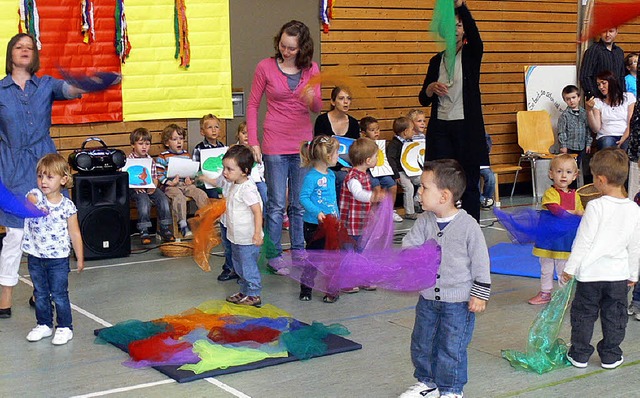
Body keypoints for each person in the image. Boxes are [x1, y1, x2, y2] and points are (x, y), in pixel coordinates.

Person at [0, 33, 93, 318]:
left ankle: (40, 292)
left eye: (29, 47)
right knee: (15, 235)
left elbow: (71, 90)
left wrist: (90, 83)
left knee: (51, 229)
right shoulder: (0, 90)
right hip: (12, 166)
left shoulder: (47, 84)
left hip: (45, 167)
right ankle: (4, 299)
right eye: (19, 46)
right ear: (10, 54)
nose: (24, 50)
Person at [400, 159, 490, 398]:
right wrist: (414, 256)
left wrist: (479, 295)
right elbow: (408, 244)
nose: (419, 191)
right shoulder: (424, 221)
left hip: (458, 302)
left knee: (452, 346)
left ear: (444, 196)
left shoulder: (468, 226)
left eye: (424, 187)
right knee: (422, 342)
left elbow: (481, 262)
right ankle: (427, 382)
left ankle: (451, 389)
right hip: (428, 298)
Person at [246, 20, 322, 268]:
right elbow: (253, 104)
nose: (286, 51)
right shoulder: (265, 67)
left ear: (302, 48)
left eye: (291, 48)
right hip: (274, 143)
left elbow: (317, 108)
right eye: (283, 46)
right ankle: (274, 254)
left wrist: (312, 97)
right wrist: (254, 141)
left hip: (301, 144)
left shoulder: (311, 69)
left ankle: (299, 249)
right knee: (277, 204)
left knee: (299, 203)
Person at [562, 148, 640, 369]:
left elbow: (583, 241)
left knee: (584, 314)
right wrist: (633, 274)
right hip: (618, 277)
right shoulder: (634, 209)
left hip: (590, 276)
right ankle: (611, 355)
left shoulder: (595, 206)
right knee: (615, 316)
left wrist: (570, 269)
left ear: (601, 179)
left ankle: (579, 354)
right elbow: (635, 246)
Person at [418, 0, 488, 222]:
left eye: (458, 25)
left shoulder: (471, 54)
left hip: (466, 128)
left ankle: (471, 229)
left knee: (469, 184)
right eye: (451, 25)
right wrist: (430, 88)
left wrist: (462, 7)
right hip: (441, 129)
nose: (455, 29)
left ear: (464, 29)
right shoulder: (435, 61)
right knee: (437, 181)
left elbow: (475, 35)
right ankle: (438, 228)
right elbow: (423, 99)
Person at [22, 154, 84, 345]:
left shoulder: (67, 206)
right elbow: (30, 199)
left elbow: (74, 233)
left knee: (59, 294)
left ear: (63, 179)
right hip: (36, 256)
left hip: (58, 259)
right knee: (40, 292)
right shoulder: (35, 196)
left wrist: (80, 257)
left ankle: (65, 327)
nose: (43, 181)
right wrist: (33, 203)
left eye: (50, 177)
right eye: (40, 176)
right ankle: (44, 324)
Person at [200, 145, 264, 306]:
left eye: (229, 169)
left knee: (248, 266)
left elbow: (257, 211)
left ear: (244, 171)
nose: (225, 172)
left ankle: (254, 293)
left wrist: (257, 233)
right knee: (238, 264)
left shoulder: (248, 189)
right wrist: (203, 179)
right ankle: (244, 291)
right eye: (224, 168)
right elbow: (217, 182)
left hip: (247, 237)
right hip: (235, 236)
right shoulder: (230, 182)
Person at [528, 154, 584, 305]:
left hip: (564, 239)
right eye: (559, 171)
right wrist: (576, 213)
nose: (563, 175)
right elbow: (557, 210)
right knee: (546, 267)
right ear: (551, 174)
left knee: (563, 267)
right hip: (548, 239)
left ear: (575, 175)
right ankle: (545, 292)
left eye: (568, 172)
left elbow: (581, 216)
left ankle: (563, 295)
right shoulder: (550, 193)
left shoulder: (575, 195)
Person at [299, 135, 340, 302]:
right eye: (337, 153)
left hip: (332, 225)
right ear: (327, 157)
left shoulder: (331, 175)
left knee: (332, 258)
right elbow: (303, 197)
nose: (339, 156)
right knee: (313, 258)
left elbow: (332, 199)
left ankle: (332, 290)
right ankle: (306, 288)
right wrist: (317, 212)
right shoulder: (311, 177)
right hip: (314, 226)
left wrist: (337, 216)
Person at [156, 124, 209, 238]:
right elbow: (159, 174)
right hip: (171, 186)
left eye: (181, 139)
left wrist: (190, 180)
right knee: (179, 197)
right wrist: (168, 182)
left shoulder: (186, 155)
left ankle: (208, 219)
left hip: (185, 184)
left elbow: (191, 172)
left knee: (200, 193)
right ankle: (182, 224)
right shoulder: (163, 156)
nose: (179, 142)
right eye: (174, 139)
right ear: (167, 143)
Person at [128, 128, 176, 245]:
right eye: (140, 144)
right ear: (133, 145)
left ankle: (165, 228)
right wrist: (134, 187)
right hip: (135, 189)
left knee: (163, 199)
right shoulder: (129, 160)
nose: (144, 147)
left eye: (147, 144)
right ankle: (144, 230)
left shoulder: (150, 160)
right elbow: (126, 178)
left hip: (149, 187)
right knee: (144, 200)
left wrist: (154, 186)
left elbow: (154, 177)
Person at [339, 137, 385, 255]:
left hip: (360, 220)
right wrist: (374, 196)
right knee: (350, 250)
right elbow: (358, 194)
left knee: (360, 247)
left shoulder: (363, 175)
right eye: (376, 156)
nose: (377, 159)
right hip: (352, 224)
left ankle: (357, 265)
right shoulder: (353, 177)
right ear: (368, 160)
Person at [314, 86, 360, 197]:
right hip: (326, 165)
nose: (346, 102)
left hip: (349, 166)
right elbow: (318, 148)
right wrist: (338, 167)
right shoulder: (322, 120)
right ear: (333, 102)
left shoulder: (353, 123)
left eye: (348, 99)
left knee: (372, 180)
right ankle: (338, 212)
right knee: (341, 177)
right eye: (341, 98)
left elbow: (356, 149)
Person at [360, 116, 402, 220]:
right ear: (364, 133)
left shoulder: (381, 145)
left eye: (377, 129)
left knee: (392, 185)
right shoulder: (362, 145)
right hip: (368, 173)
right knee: (376, 187)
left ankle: (389, 210)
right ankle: (374, 212)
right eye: (372, 130)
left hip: (380, 172)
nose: (376, 132)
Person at [586, 70, 635, 150]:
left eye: (603, 83)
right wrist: (589, 110)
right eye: (598, 84)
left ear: (612, 82)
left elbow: (631, 122)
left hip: (626, 134)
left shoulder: (628, 97)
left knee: (627, 146)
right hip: (606, 135)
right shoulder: (597, 102)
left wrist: (623, 138)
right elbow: (596, 129)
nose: (601, 87)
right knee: (607, 144)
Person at [387, 116, 421, 221]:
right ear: (406, 132)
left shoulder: (409, 142)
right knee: (409, 187)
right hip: (400, 172)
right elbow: (390, 158)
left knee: (423, 180)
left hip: (410, 170)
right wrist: (395, 174)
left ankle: (417, 200)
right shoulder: (394, 144)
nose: (414, 132)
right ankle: (409, 212)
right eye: (412, 130)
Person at [557, 85, 592, 185]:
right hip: (570, 146)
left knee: (583, 167)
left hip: (582, 146)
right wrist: (563, 146)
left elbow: (588, 129)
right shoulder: (564, 116)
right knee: (570, 168)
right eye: (568, 99)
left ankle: (583, 187)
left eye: (573, 98)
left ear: (579, 98)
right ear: (565, 100)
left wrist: (588, 143)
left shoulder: (585, 114)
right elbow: (562, 132)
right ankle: (571, 187)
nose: (571, 101)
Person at [580, 27, 626, 100]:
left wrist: (622, 94)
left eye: (611, 31)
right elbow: (585, 76)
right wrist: (594, 96)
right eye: (604, 31)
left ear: (616, 32)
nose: (607, 35)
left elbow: (621, 76)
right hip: (599, 97)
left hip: (617, 97)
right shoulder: (593, 50)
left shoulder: (619, 52)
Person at [192, 114, 226, 199]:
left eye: (216, 127)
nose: (214, 130)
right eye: (210, 127)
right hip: (205, 184)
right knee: (213, 194)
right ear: (202, 132)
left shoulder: (222, 147)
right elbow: (195, 170)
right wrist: (203, 178)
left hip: (220, 181)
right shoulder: (199, 148)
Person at [479, 134, 495, 209]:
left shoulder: (485, 136)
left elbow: (488, 149)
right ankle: (482, 200)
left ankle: (487, 198)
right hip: (469, 166)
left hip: (482, 165)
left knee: (491, 177)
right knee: (474, 182)